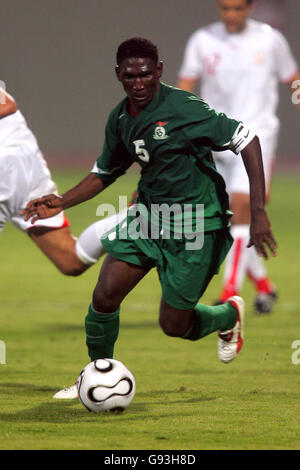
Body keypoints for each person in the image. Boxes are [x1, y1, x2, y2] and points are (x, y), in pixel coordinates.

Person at [22, 37, 277, 400]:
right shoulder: (121, 118)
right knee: (104, 296)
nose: (138, 83)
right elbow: (105, 172)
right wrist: (60, 201)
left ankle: (228, 317)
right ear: (118, 75)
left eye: (145, 75)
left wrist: (259, 212)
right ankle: (96, 375)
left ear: (159, 71)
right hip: (148, 220)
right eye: (129, 76)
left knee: (174, 325)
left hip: (196, 226)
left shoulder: (184, 108)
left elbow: (246, 139)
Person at [177, 0, 300, 313]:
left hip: (256, 137)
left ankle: (230, 293)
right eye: (225, 8)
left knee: (242, 208)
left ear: (250, 7)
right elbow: (185, 87)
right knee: (228, 219)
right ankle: (264, 287)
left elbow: (292, 77)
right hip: (214, 136)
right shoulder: (203, 39)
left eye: (237, 8)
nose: (231, 14)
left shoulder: (270, 39)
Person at [0, 87, 127, 275]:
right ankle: (136, 217)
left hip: (5, 159)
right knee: (70, 259)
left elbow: (5, 104)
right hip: (19, 153)